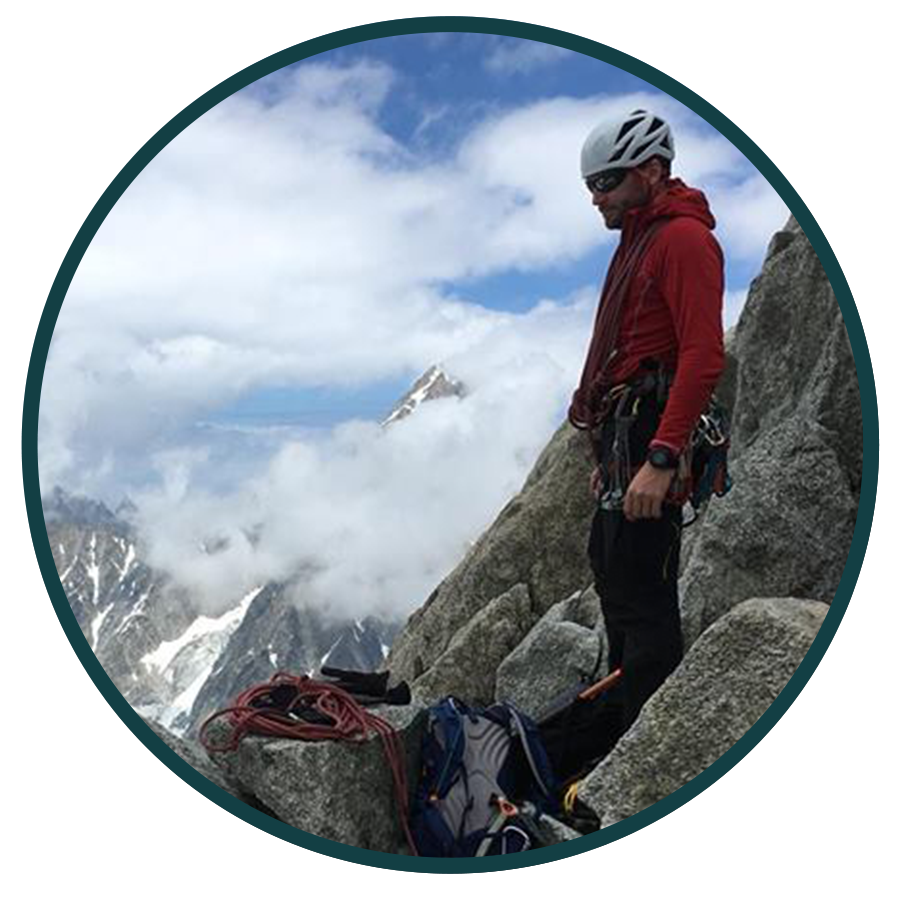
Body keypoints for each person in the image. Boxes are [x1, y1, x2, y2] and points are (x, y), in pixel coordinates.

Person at [568, 109, 725, 744]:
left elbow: (702, 353)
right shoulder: (640, 239)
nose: (597, 198)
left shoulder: (683, 239)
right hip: (624, 432)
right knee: (613, 575)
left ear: (651, 170)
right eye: (591, 187)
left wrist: (661, 461)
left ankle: (646, 757)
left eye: (607, 182)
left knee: (645, 597)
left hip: (650, 433)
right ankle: (619, 733)